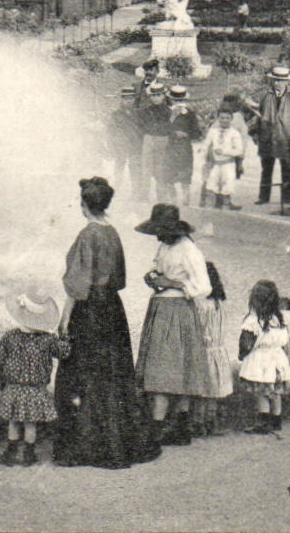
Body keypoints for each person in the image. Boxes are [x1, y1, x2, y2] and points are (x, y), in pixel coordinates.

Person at [53, 177, 160, 469]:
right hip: (112, 308)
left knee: (86, 372)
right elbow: (120, 278)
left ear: (84, 205)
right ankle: (117, 441)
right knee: (113, 372)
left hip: (89, 309)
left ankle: (87, 444)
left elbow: (78, 284)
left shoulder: (87, 235)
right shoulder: (112, 232)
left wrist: (64, 319)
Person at [134, 202, 211, 446]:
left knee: (174, 366)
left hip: (178, 309)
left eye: (161, 231)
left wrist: (173, 283)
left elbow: (204, 286)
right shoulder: (166, 246)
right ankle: (170, 425)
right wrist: (154, 278)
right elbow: (162, 272)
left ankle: (169, 426)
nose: (158, 236)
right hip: (161, 307)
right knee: (167, 365)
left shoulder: (189, 250)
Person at [0, 293, 71, 467]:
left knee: (13, 421)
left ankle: (11, 452)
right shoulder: (48, 339)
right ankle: (29, 454)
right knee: (31, 424)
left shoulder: (10, 336)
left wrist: (1, 379)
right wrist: (65, 338)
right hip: (35, 388)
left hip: (14, 387)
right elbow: (64, 353)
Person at [238, 280, 290, 434]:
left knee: (262, 392)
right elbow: (285, 341)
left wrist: (242, 356)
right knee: (276, 391)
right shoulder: (279, 319)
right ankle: (276, 420)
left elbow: (246, 344)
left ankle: (263, 422)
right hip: (278, 358)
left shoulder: (253, 321)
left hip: (261, 360)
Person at [195, 263, 235, 436]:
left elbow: (198, 327)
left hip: (205, 350)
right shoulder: (220, 303)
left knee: (202, 390)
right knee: (213, 390)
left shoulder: (200, 303)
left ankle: (198, 422)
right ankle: (210, 421)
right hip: (219, 350)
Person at [253, 65, 290, 208]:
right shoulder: (265, 95)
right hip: (267, 137)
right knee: (266, 168)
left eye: (281, 80)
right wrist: (256, 133)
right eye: (275, 80)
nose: (278, 83)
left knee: (287, 168)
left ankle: (288, 197)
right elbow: (257, 116)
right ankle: (263, 196)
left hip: (286, 137)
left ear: (287, 81)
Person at [162, 86, 204, 209]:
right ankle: (173, 203)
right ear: (171, 100)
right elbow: (161, 129)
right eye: (175, 100)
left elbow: (197, 133)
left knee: (185, 178)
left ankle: (186, 204)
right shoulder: (166, 113)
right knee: (169, 176)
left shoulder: (190, 114)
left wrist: (187, 134)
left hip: (185, 148)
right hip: (170, 148)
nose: (178, 103)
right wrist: (173, 127)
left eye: (180, 100)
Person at [199, 105, 245, 210]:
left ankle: (225, 208)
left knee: (227, 186)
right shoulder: (213, 131)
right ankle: (209, 209)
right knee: (211, 185)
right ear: (218, 118)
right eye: (222, 118)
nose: (224, 120)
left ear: (231, 118)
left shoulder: (234, 133)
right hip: (215, 164)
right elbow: (206, 144)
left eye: (227, 118)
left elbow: (239, 150)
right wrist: (203, 152)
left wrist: (225, 152)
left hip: (228, 164)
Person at [136, 81, 171, 205]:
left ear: (163, 96)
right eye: (153, 95)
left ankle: (161, 197)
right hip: (149, 139)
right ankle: (144, 196)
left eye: (159, 95)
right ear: (150, 97)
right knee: (146, 168)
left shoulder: (168, 111)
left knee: (161, 168)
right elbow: (140, 126)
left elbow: (170, 127)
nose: (156, 98)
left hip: (163, 139)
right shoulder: (145, 111)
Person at [105, 89, 144, 192]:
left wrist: (141, 143)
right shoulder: (115, 114)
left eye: (130, 98)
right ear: (121, 100)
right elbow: (110, 131)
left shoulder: (138, 114)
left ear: (134, 99)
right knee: (119, 167)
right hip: (120, 145)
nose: (128, 101)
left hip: (135, 145)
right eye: (125, 98)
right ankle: (116, 189)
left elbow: (142, 129)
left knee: (135, 168)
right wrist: (111, 146)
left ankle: (136, 191)